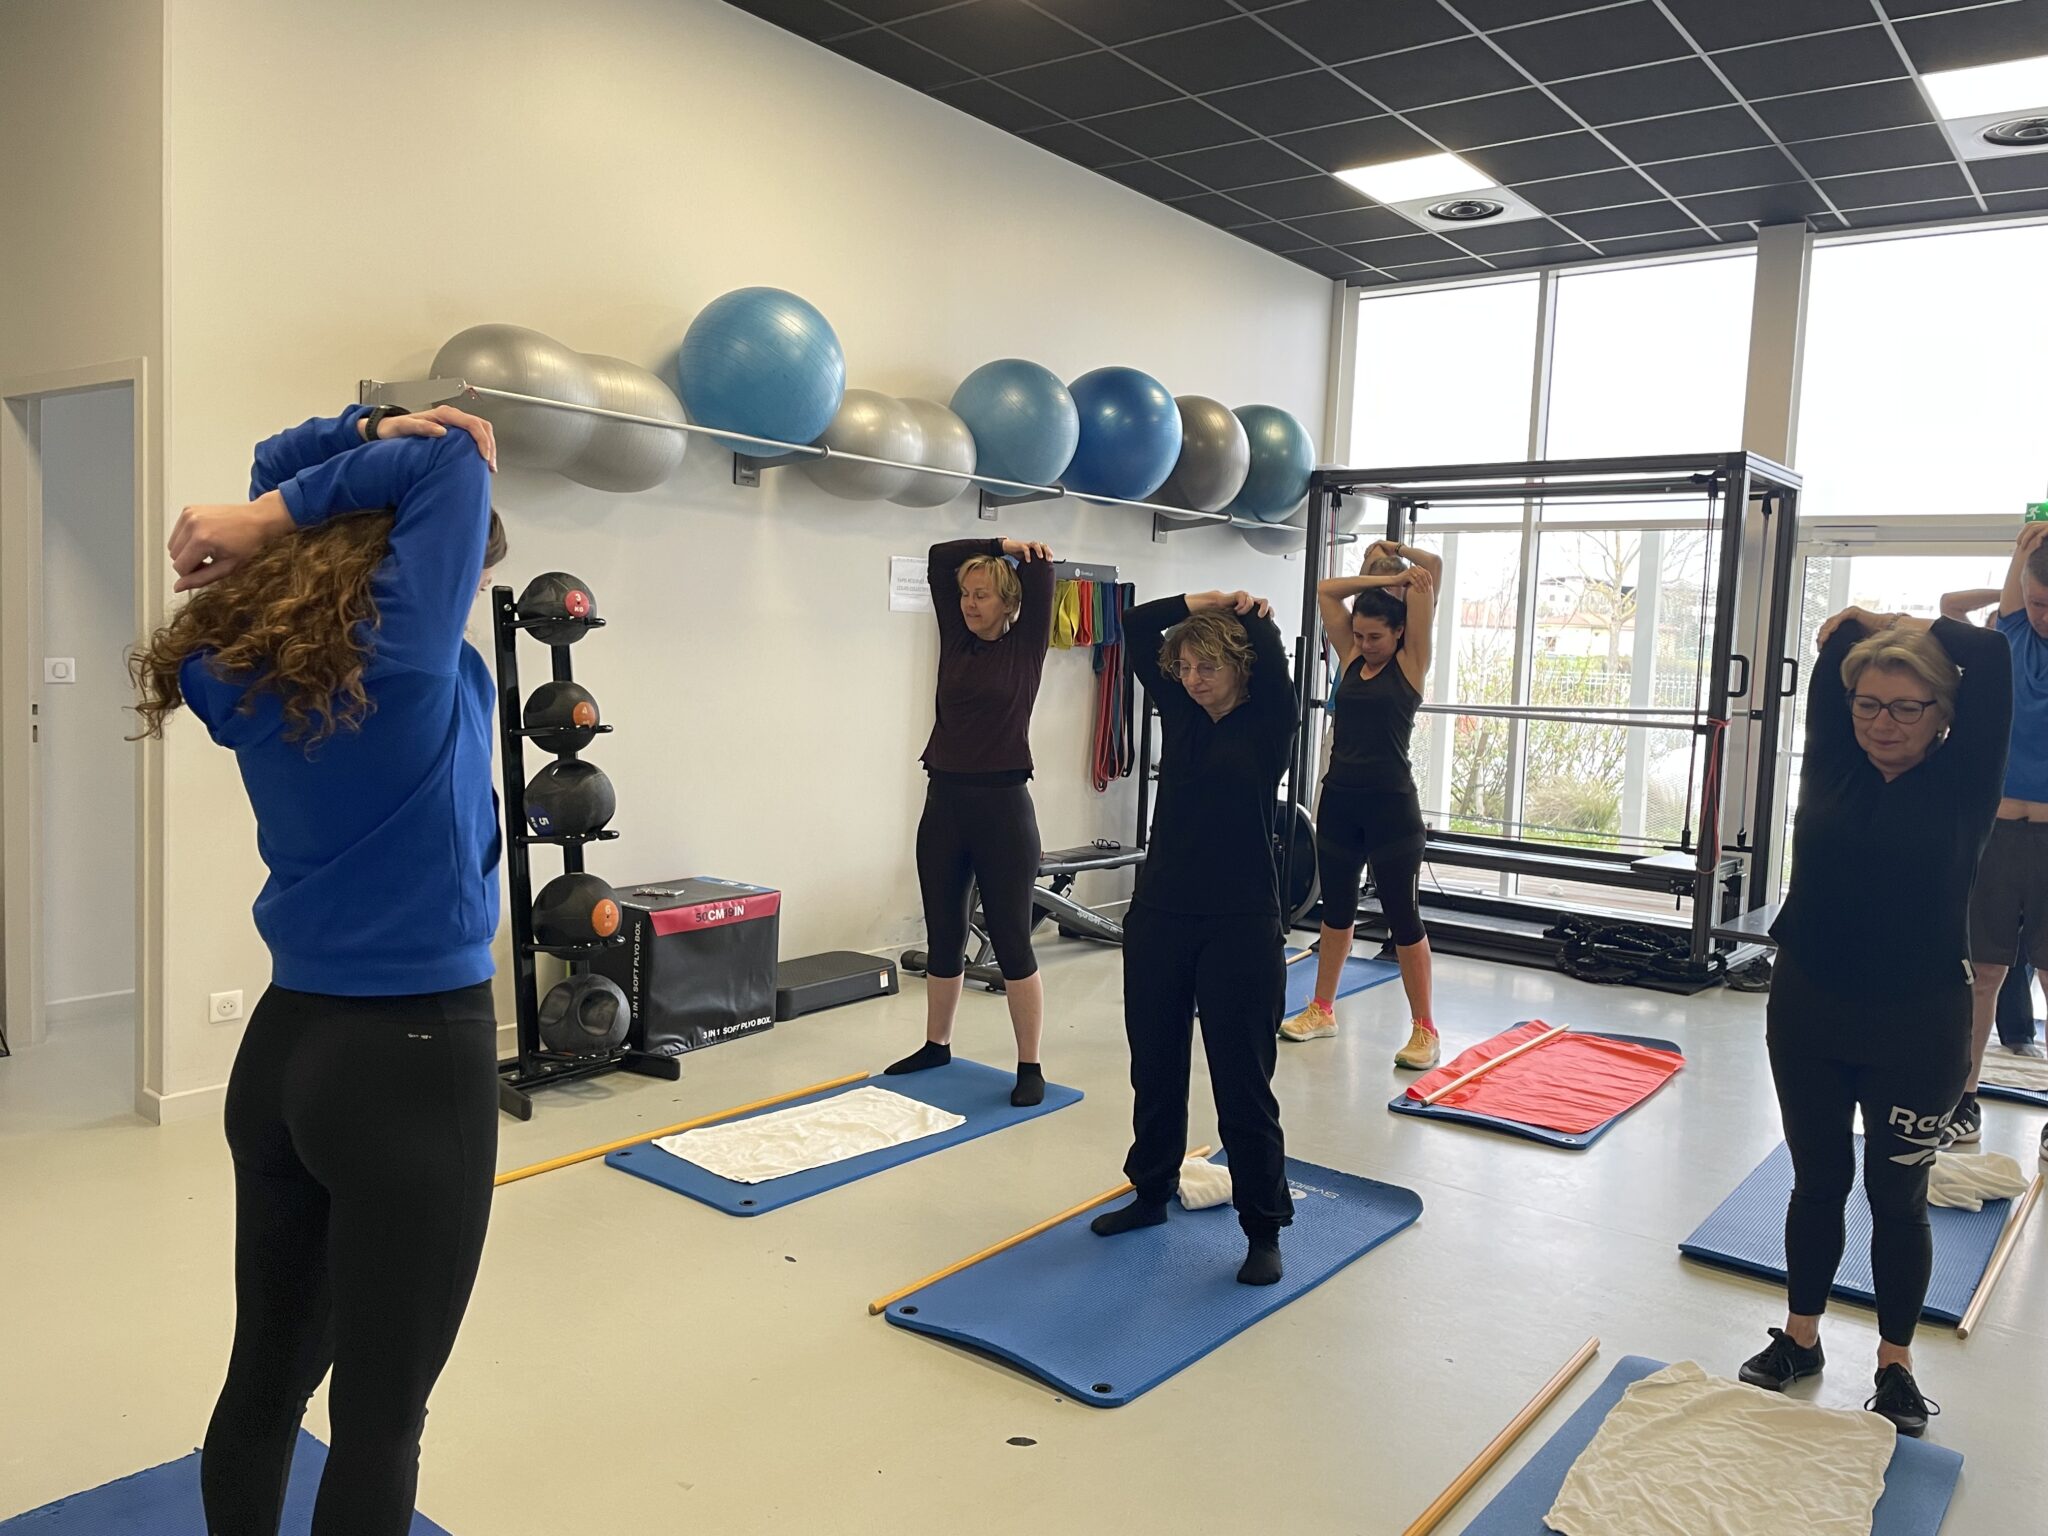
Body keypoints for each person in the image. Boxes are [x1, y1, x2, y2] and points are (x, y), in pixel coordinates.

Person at [130, 401, 507, 1534]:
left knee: (265, 1382)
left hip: (286, 1053)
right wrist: (400, 443)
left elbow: (287, 475)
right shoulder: (403, 663)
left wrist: (349, 434)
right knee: (382, 1420)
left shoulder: (235, 669)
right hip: (412, 1060)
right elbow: (451, 461)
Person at [1746, 605, 2009, 1436]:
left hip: (1919, 1020)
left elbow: (1992, 658)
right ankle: (1801, 1340)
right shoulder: (1833, 757)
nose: (1882, 723)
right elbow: (1838, 651)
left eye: (1906, 708)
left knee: (1898, 1198)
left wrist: (1924, 624)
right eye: (1869, 704)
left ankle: (1895, 1365)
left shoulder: (1967, 776)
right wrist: (1862, 628)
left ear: (1943, 716)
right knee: (1817, 1182)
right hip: (1810, 1006)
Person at [1089, 590, 1299, 1286]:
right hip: (1161, 917)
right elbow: (1141, 621)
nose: (1193, 677)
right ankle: (1150, 1192)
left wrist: (1251, 616)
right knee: (1154, 1067)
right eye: (1184, 666)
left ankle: (1262, 1226)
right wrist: (1202, 601)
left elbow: (1269, 651)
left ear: (1240, 667)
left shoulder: (1270, 721)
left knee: (1243, 1081)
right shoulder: (1178, 712)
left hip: (1241, 923)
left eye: (1209, 665)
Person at [889, 537, 1057, 1107]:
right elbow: (938, 556)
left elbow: (1042, 572)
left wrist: (1021, 552)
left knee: (1011, 940)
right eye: (965, 594)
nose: (968, 603)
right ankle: (937, 1044)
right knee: (944, 932)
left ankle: (1029, 1064)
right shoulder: (956, 641)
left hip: (1004, 807)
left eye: (982, 594)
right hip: (945, 802)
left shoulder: (1026, 646)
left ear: (1007, 602)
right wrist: (993, 544)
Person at [1283, 539, 1440, 1067]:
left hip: (1393, 808)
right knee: (1337, 913)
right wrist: (1378, 582)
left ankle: (1424, 1029)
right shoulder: (1350, 659)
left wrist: (1399, 557)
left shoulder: (1411, 665)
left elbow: (1432, 571)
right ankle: (1322, 1009)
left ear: (1400, 633)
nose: (1366, 643)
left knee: (1403, 915)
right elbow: (1328, 591)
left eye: (1377, 636)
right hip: (1340, 802)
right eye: (1360, 634)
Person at [1941, 528, 2048, 1152]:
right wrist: (2019, 557)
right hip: (1995, 833)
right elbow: (1971, 603)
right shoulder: (2006, 642)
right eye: (2037, 603)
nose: (2043, 616)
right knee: (1983, 972)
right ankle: (1963, 1099)